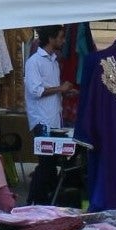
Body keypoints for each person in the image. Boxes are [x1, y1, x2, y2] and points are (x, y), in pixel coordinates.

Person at [24, 26, 77, 205]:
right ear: (51, 38)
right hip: (42, 121)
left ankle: (43, 201)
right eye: (61, 37)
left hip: (54, 120)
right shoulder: (35, 61)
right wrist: (60, 89)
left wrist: (62, 92)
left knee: (50, 164)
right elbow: (36, 90)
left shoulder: (53, 61)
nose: (63, 41)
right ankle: (34, 202)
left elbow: (49, 90)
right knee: (46, 165)